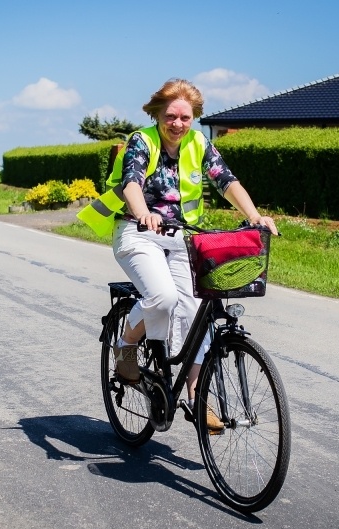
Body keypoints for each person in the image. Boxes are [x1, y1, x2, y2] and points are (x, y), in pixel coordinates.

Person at [78, 79, 278, 429]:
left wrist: (254, 216)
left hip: (182, 237)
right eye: (171, 116)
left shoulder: (199, 142)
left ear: (194, 117)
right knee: (163, 297)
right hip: (138, 232)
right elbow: (131, 182)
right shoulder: (142, 141)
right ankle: (125, 346)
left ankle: (197, 398)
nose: (178, 123)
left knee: (194, 311)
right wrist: (143, 213)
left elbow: (226, 180)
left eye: (185, 117)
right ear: (157, 114)